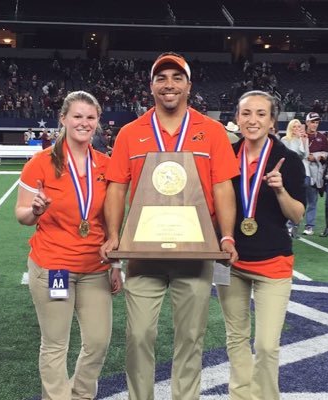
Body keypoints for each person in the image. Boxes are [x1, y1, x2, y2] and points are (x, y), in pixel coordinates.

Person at [100, 52, 238, 400]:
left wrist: (225, 235)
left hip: (196, 251)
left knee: (191, 337)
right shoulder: (132, 132)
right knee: (139, 335)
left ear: (189, 86)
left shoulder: (212, 131)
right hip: (143, 252)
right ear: (151, 86)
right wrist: (114, 235)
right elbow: (117, 186)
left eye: (177, 77)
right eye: (162, 78)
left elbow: (223, 186)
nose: (169, 84)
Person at [15, 91, 122, 400]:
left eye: (91, 117)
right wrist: (35, 211)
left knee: (98, 341)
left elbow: (110, 221)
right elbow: (21, 215)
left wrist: (115, 264)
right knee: (55, 343)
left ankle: (81, 395)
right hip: (55, 268)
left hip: (94, 269)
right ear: (62, 119)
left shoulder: (106, 165)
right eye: (77, 116)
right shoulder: (40, 164)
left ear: (98, 123)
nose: (84, 123)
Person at [217, 90, 306, 400]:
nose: (252, 119)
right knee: (236, 339)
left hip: (273, 262)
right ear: (237, 119)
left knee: (267, 345)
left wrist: (281, 191)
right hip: (229, 260)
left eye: (260, 114)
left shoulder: (289, 160)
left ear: (271, 121)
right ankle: (240, 396)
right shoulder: (225, 155)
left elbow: (297, 215)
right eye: (246, 113)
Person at [281, 119, 309, 238]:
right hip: (288, 173)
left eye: (299, 127)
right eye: (295, 127)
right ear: (290, 128)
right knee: (288, 198)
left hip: (301, 172)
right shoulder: (285, 140)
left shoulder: (303, 139)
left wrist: (302, 141)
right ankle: (287, 225)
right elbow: (290, 155)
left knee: (300, 199)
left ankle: (295, 226)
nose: (297, 129)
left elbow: (304, 155)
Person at [303, 112, 328, 235]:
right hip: (300, 171)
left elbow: (327, 154)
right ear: (307, 122)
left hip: (314, 172)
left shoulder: (322, 138)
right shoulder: (300, 135)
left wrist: (317, 156)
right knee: (297, 199)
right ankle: (292, 225)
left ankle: (309, 226)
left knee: (312, 200)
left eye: (317, 122)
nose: (315, 124)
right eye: (312, 122)